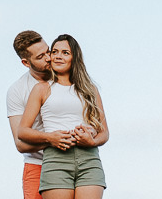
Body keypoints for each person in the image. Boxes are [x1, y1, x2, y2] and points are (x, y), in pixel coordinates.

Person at [18, 34, 109, 199]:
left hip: (89, 159)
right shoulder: (41, 89)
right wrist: (49, 137)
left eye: (65, 52)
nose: (58, 56)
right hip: (56, 160)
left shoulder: (90, 89)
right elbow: (23, 131)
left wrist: (92, 141)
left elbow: (104, 133)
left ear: (74, 58)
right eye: (55, 52)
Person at [6, 30, 64, 199]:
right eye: (40, 57)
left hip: (70, 161)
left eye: (48, 51)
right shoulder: (17, 90)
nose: (48, 58)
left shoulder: (67, 76)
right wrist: (52, 139)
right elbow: (20, 144)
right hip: (37, 165)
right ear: (26, 62)